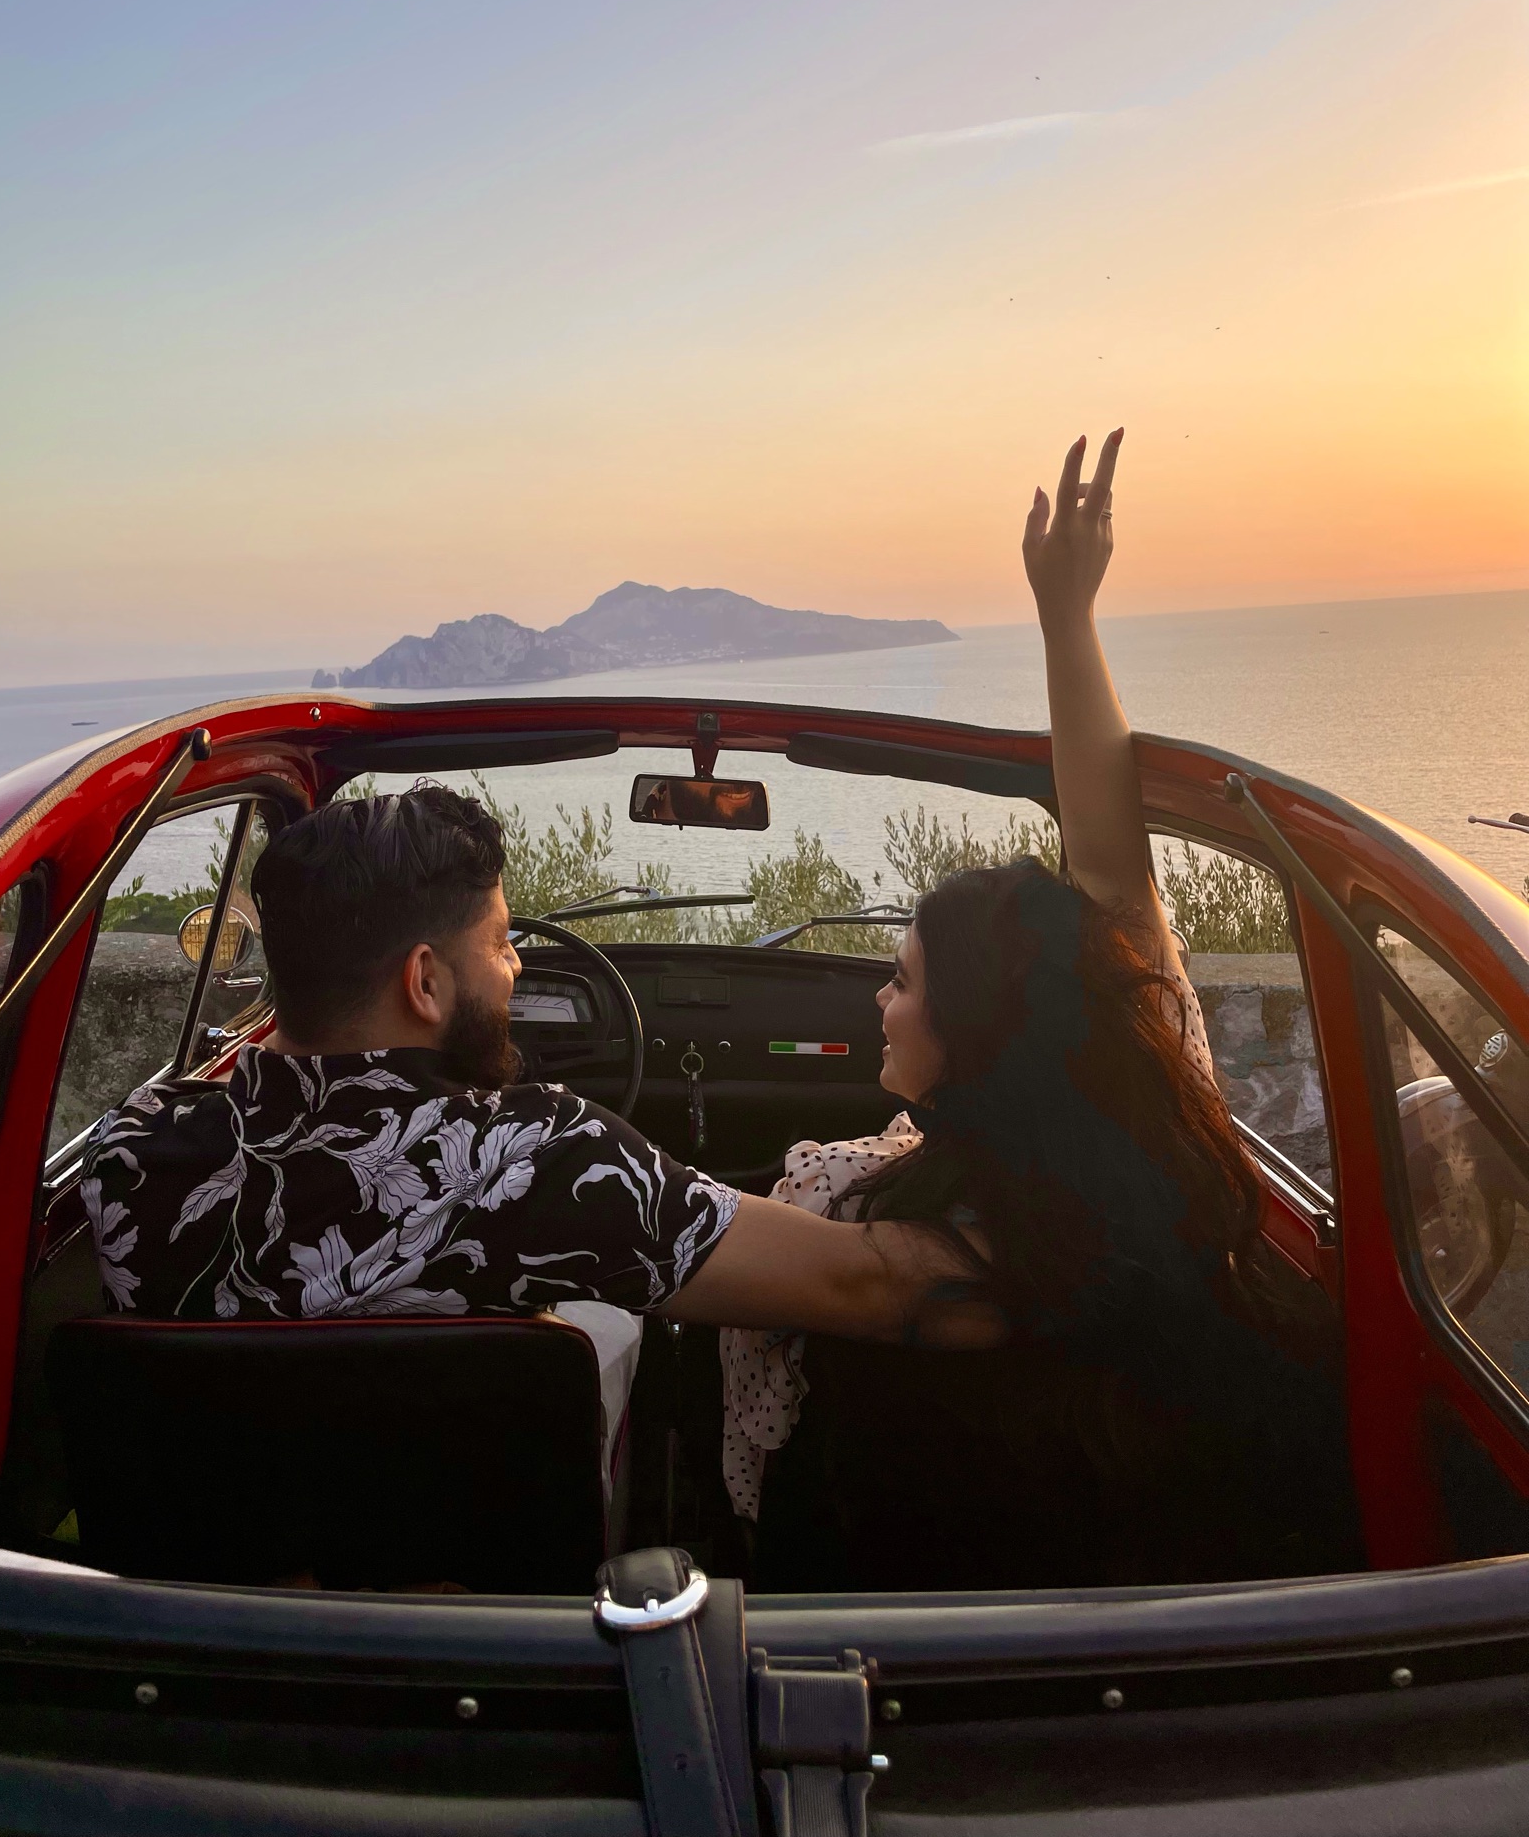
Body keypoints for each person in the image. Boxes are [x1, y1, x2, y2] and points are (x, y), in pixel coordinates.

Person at [725, 430, 1363, 1587]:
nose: (878, 993)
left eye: (904, 977)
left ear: (973, 1042)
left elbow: (672, 1253)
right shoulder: (1167, 1166)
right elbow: (1119, 877)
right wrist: (1069, 617)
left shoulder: (857, 1218)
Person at [79, 786, 988, 1373]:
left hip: (219, 1627)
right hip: (497, 1626)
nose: (516, 968)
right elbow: (863, 1288)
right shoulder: (535, 1158)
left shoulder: (133, 1154)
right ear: (426, 983)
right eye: (503, 942)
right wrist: (1084, 1247)